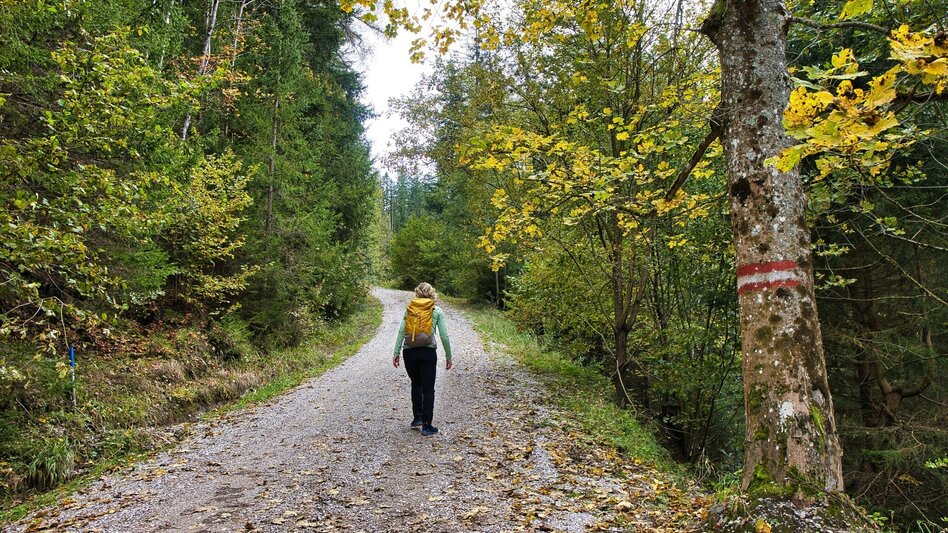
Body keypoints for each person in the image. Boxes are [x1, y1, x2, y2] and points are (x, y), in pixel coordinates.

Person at [392, 282, 452, 436]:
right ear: (432, 293)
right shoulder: (436, 310)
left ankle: (417, 418)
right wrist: (448, 355)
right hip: (428, 352)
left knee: (416, 383)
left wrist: (396, 352)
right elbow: (444, 336)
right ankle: (427, 425)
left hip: (409, 352)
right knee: (428, 388)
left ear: (417, 293)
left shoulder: (410, 309)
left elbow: (401, 331)